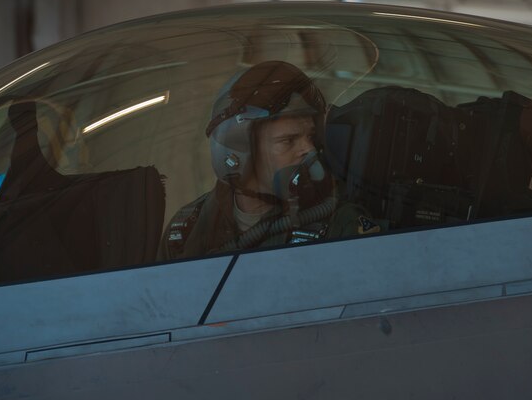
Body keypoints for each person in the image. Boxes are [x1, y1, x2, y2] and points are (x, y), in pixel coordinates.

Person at [158, 61, 382, 261]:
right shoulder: (187, 228)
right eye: (288, 140)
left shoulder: (339, 223)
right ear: (239, 153)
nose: (309, 149)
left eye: (311, 137)